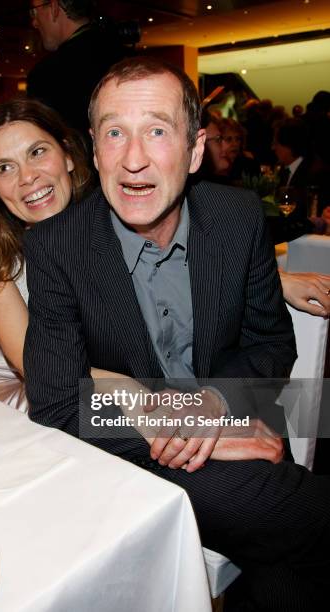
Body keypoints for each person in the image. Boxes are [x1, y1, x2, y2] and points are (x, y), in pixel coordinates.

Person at [24, 57, 330, 611]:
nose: (133, 159)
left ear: (193, 150)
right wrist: (191, 423)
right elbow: (54, 399)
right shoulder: (57, 246)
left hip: (234, 414)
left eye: (157, 131)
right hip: (137, 455)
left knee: (282, 562)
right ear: (94, 150)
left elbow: (271, 344)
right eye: (115, 133)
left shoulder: (237, 217)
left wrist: (215, 402)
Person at [0, 99, 92, 411]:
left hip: (83, 379)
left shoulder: (107, 224)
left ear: (68, 155)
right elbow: (42, 371)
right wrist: (133, 390)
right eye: (4, 167)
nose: (26, 177)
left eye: (37, 152)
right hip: (14, 390)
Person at [202, 116, 330, 317]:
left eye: (225, 139)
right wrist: (279, 280)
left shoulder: (218, 190)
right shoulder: (207, 196)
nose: (226, 147)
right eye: (220, 139)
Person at [27, 0, 128, 140]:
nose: (34, 23)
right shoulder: (126, 55)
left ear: (54, 7)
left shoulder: (46, 74)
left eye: (34, 12)